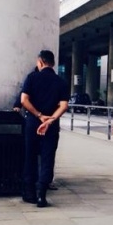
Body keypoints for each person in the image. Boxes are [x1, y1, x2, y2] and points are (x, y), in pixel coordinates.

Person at [20, 50, 69, 207]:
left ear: (40, 62)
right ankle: (42, 195)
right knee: (48, 157)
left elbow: (24, 100)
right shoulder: (61, 81)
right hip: (51, 126)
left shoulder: (32, 77)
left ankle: (30, 193)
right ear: (53, 63)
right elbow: (64, 105)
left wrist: (39, 115)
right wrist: (50, 120)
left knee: (30, 156)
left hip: (33, 123)